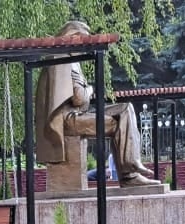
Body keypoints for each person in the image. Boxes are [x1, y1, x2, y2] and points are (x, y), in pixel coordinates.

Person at [35, 20, 158, 188]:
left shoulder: (70, 59)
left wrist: (86, 90)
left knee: (125, 107)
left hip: (75, 114)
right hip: (66, 121)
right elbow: (79, 99)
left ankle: (132, 166)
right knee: (116, 124)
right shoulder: (61, 59)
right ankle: (129, 175)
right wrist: (90, 89)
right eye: (83, 39)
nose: (84, 44)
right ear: (73, 37)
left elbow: (79, 97)